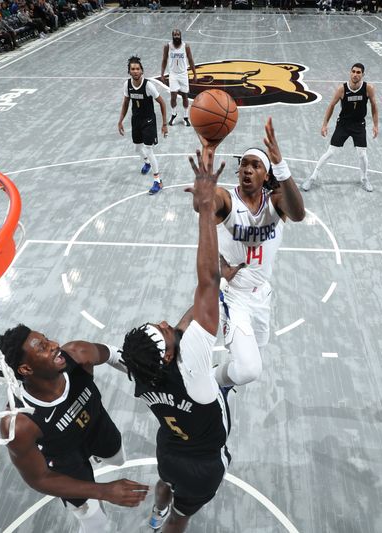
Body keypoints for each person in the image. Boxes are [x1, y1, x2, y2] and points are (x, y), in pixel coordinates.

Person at [119, 139, 230, 533]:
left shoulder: (141, 369)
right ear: (168, 356)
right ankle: (166, 521)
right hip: (202, 462)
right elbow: (208, 280)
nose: (167, 323)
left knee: (165, 483)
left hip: (169, 447)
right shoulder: (196, 369)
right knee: (183, 516)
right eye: (165, 332)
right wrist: (205, 210)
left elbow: (186, 325)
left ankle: (155, 512)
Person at [0, 325, 149, 532]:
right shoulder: (19, 422)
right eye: (43, 347)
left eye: (47, 339)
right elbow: (39, 478)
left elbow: (112, 354)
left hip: (98, 427)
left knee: (118, 459)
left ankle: (95, 456)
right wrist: (104, 491)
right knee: (95, 521)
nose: (55, 345)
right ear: (26, 369)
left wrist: (148, 377)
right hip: (65, 459)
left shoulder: (78, 354)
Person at [205, 118, 305, 390]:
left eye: (255, 165)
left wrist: (281, 166)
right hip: (234, 294)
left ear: (266, 175)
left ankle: (222, 378)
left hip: (262, 294)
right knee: (249, 370)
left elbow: (299, 213)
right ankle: (208, 383)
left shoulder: (276, 203)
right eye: (243, 164)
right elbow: (206, 202)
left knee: (253, 358)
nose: (247, 169)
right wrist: (206, 168)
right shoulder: (227, 200)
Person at [303, 63, 379, 192]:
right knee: (331, 152)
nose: (355, 74)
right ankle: (313, 177)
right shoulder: (342, 89)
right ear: (350, 72)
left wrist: (376, 125)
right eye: (353, 71)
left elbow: (374, 106)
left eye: (358, 72)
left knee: (362, 154)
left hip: (359, 125)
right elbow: (331, 106)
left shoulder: (368, 88)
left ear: (363, 74)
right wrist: (324, 124)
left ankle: (364, 178)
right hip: (343, 124)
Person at [117, 55, 168, 196]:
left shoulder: (148, 86)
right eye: (132, 69)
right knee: (137, 149)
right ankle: (146, 162)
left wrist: (164, 124)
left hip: (149, 121)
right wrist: (120, 120)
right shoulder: (127, 85)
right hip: (136, 120)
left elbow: (162, 103)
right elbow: (126, 103)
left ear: (141, 71)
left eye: (137, 69)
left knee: (148, 149)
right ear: (129, 71)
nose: (135, 71)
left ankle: (158, 181)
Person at [160, 29, 197, 127]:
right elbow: (164, 60)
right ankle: (173, 114)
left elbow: (191, 60)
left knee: (185, 96)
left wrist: (195, 74)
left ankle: (185, 117)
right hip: (173, 74)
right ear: (172, 36)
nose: (176, 36)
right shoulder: (168, 46)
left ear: (180, 36)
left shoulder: (186, 46)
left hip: (183, 74)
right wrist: (162, 74)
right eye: (175, 34)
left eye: (178, 34)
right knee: (173, 97)